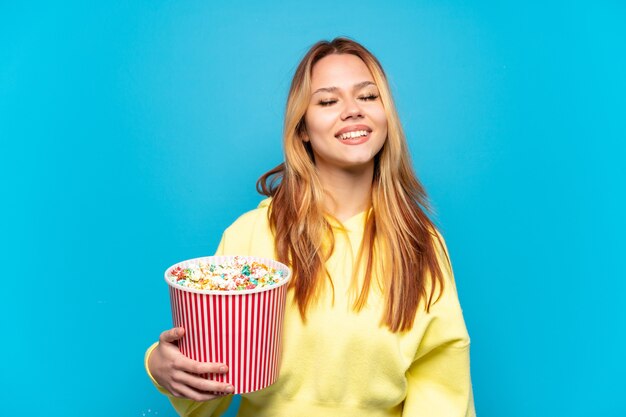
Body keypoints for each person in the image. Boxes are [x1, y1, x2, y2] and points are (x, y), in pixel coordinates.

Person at [145, 37, 475, 416]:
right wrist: (161, 365)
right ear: (302, 128)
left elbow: (442, 385)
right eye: (328, 101)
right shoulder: (251, 235)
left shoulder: (420, 243)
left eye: (368, 97)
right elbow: (211, 384)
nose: (352, 111)